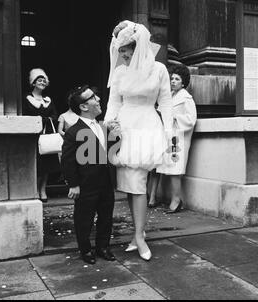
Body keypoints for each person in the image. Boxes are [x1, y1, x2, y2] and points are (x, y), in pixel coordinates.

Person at [104, 20, 173, 261]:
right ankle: (137, 234)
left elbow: (165, 101)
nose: (121, 54)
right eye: (120, 50)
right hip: (125, 127)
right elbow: (114, 101)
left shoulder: (158, 69)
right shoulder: (120, 71)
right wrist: (109, 123)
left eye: (126, 49)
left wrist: (168, 132)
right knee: (130, 186)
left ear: (138, 48)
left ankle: (140, 236)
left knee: (139, 183)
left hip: (147, 125)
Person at [61, 86, 118, 265]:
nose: (99, 99)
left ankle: (103, 247)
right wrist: (73, 184)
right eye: (93, 97)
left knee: (106, 216)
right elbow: (68, 161)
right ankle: (85, 249)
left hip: (105, 181)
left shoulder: (103, 127)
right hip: (86, 184)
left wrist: (117, 137)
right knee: (84, 217)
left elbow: (108, 152)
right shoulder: (73, 132)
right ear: (84, 107)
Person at [157, 64, 197, 213]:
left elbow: (191, 119)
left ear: (183, 82)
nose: (173, 81)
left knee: (175, 170)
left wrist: (174, 117)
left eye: (177, 79)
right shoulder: (170, 97)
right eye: (172, 78)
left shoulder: (186, 99)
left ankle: (176, 200)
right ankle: (174, 198)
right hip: (169, 137)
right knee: (169, 169)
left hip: (179, 138)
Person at [23, 68, 60, 203]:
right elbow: (26, 116)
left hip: (47, 137)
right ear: (33, 83)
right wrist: (41, 119)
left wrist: (45, 119)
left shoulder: (48, 100)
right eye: (39, 79)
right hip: (34, 137)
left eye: (44, 80)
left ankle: (43, 189)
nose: (42, 82)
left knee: (47, 166)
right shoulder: (27, 99)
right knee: (37, 165)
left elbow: (55, 116)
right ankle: (34, 190)